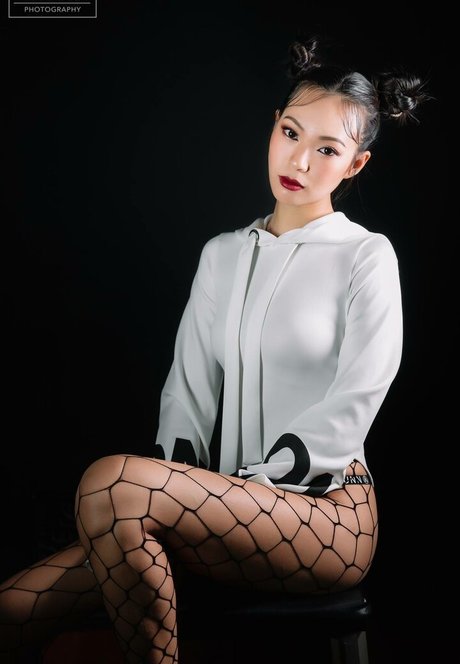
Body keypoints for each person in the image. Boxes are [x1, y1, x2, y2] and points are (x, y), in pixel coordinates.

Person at [0, 37, 429, 664]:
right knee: (13, 607)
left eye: (327, 149)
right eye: (290, 133)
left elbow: (359, 395)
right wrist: (191, 493)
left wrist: (240, 486)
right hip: (220, 505)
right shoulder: (221, 255)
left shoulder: (366, 256)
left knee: (111, 485)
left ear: (355, 165)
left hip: (328, 516)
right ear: (274, 126)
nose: (299, 160)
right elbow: (188, 393)